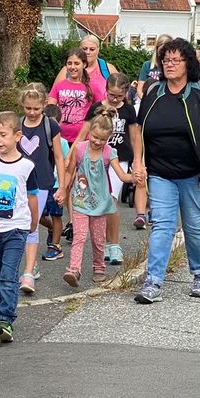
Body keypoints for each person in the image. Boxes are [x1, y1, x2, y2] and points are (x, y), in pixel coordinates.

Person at [133, 38, 200, 303]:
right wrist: (138, 160)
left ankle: (199, 275)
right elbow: (139, 128)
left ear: (188, 63)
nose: (170, 65)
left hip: (195, 174)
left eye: (176, 60)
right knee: (162, 225)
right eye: (166, 60)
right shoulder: (154, 91)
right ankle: (153, 283)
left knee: (193, 226)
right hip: (161, 172)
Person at [72, 73, 144, 264]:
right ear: (106, 90)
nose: (114, 99)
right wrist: (69, 158)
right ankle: (101, 244)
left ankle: (114, 245)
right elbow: (83, 135)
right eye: (111, 95)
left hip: (119, 159)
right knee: (97, 202)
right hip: (95, 159)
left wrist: (138, 161)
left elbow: (135, 137)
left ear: (126, 93)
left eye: (119, 96)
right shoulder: (96, 108)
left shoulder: (128, 111)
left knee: (110, 201)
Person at [0, 112, 39, 342]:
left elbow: (32, 197)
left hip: (17, 228)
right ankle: (0, 310)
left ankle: (6, 318)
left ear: (17, 136)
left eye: (3, 135)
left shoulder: (27, 166)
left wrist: (33, 223)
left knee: (8, 275)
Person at [62, 110, 133, 287]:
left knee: (98, 238)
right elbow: (70, 171)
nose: (97, 142)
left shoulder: (110, 153)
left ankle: (99, 267)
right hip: (80, 201)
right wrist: (62, 189)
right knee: (79, 236)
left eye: (102, 139)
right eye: (94, 137)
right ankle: (73, 270)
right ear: (89, 132)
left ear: (109, 138)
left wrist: (135, 178)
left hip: (100, 203)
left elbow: (122, 176)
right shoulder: (79, 149)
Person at [17, 83, 65, 294]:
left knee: (33, 223)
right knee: (24, 223)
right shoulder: (17, 125)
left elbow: (58, 157)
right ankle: (31, 263)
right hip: (20, 182)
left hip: (42, 182)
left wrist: (62, 186)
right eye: (28, 108)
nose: (32, 112)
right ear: (22, 106)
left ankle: (29, 270)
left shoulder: (50, 126)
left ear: (45, 105)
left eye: (37, 108)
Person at [40, 104, 70, 261]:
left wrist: (64, 186)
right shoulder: (40, 139)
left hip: (57, 183)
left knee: (56, 215)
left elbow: (65, 163)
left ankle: (55, 246)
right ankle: (52, 228)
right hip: (42, 183)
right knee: (38, 215)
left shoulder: (63, 143)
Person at [51, 34, 117, 104]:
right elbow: (53, 97)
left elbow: (121, 91)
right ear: (79, 48)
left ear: (98, 50)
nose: (88, 52)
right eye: (84, 49)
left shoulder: (107, 69)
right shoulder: (69, 69)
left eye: (92, 49)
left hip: (101, 113)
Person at [48, 48, 94, 143]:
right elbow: (50, 110)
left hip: (83, 139)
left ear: (84, 65)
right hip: (60, 138)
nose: (72, 67)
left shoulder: (92, 86)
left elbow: (99, 109)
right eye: (69, 63)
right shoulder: (59, 85)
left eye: (77, 63)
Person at [136, 34, 173, 100]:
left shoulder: (172, 67)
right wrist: (146, 101)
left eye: (165, 51)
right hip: (148, 100)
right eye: (161, 50)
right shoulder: (147, 65)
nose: (163, 53)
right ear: (157, 49)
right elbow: (140, 89)